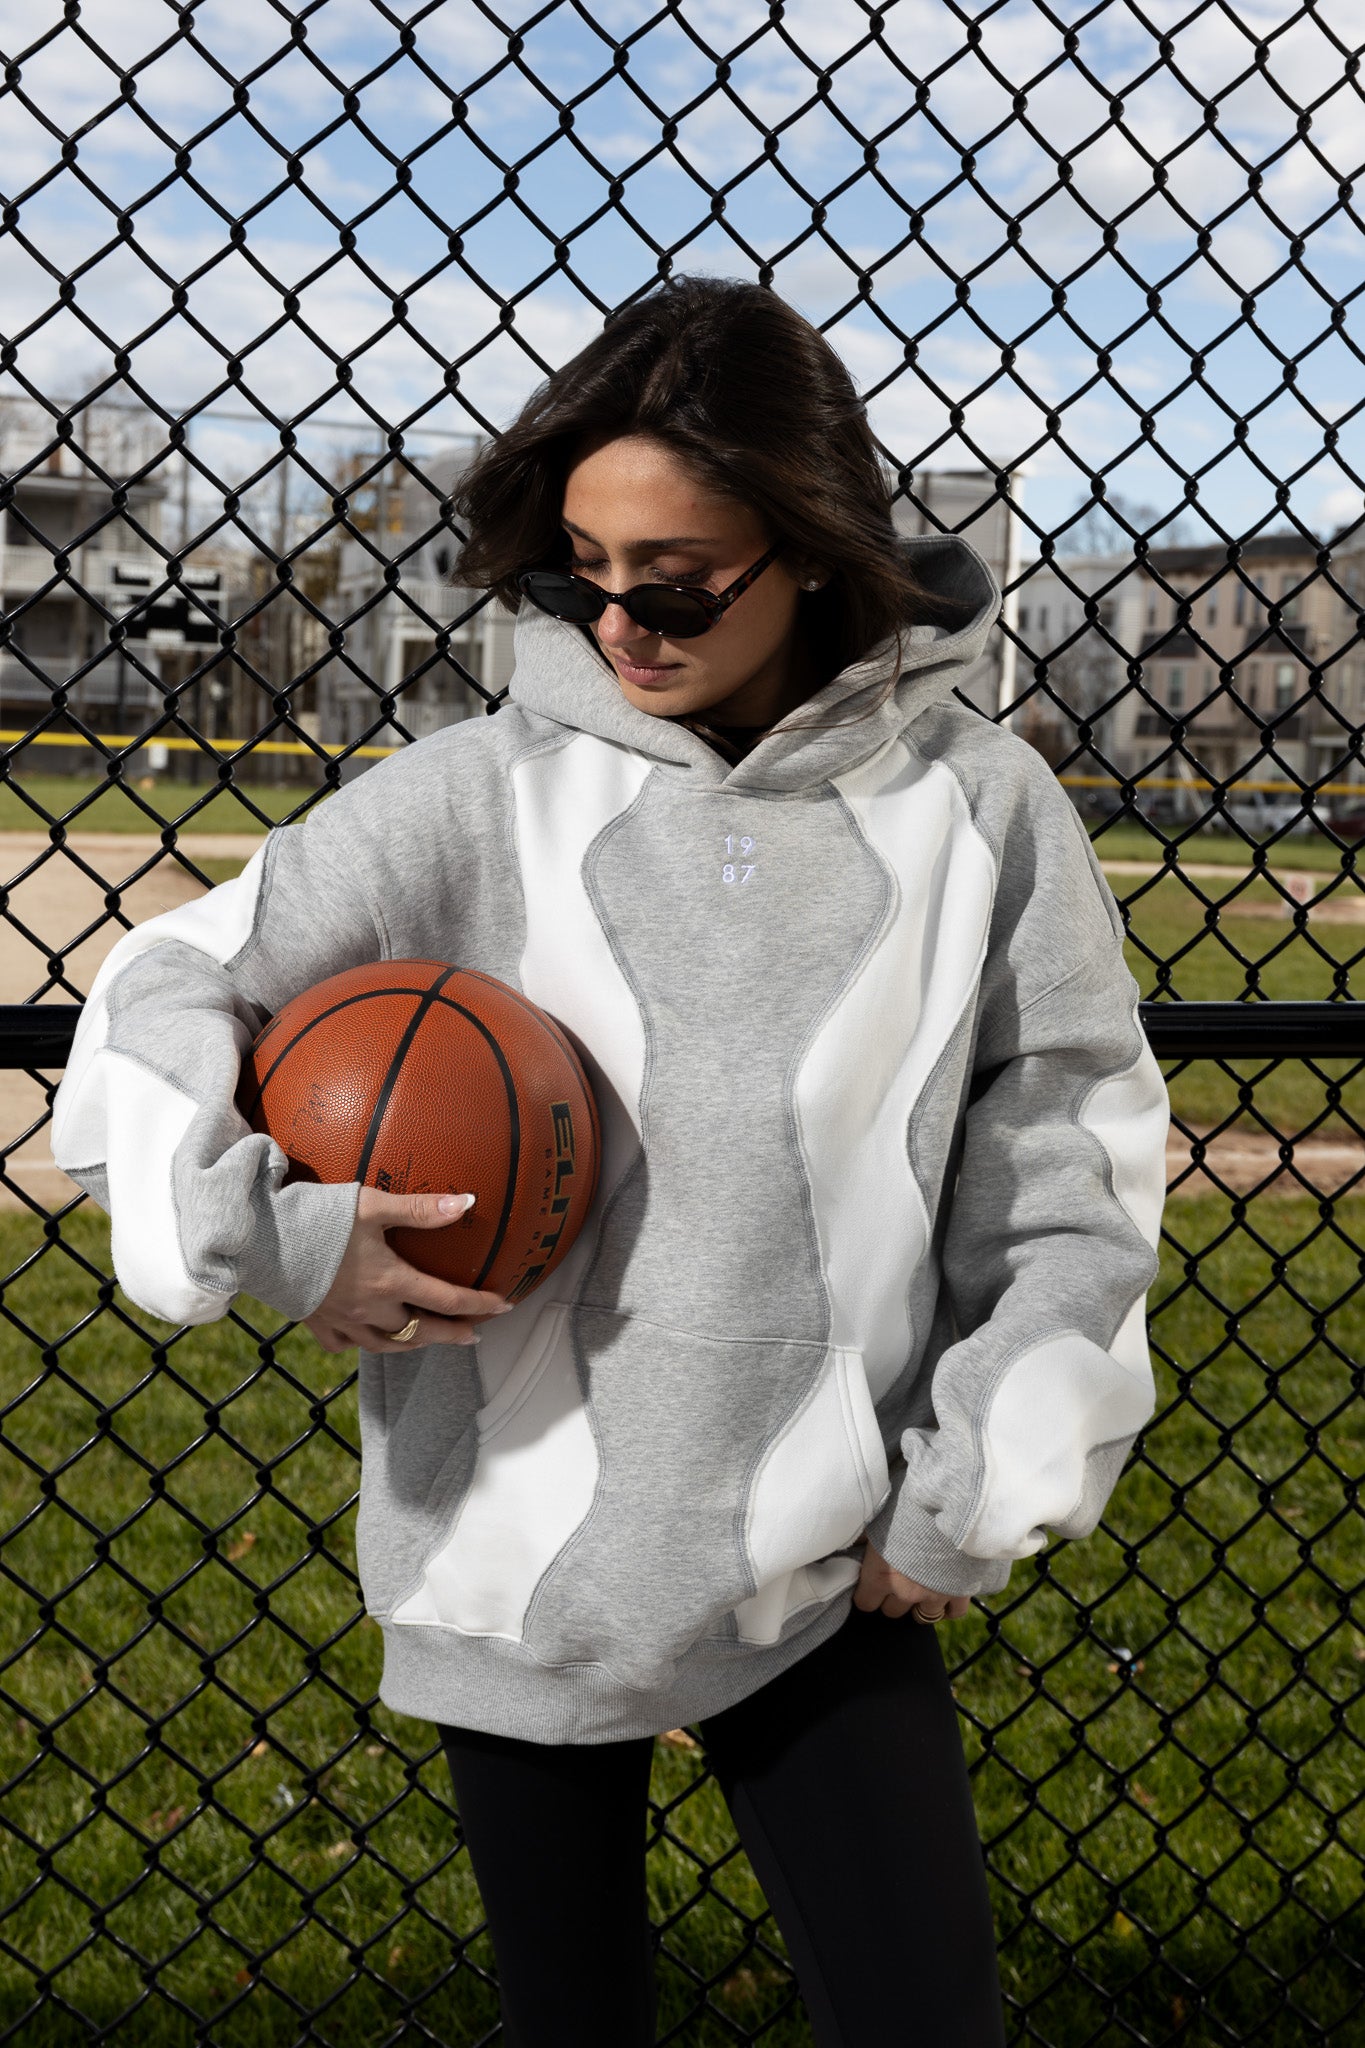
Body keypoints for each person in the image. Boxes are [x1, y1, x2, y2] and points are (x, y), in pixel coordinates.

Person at [51, 275, 1169, 2046]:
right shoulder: (476, 792)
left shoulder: (974, 805)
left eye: (675, 580)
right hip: (517, 1548)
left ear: (811, 547)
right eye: (581, 571)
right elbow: (158, 990)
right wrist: (276, 1234)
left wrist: (974, 1481)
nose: (618, 622)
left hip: (829, 1553)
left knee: (926, 2017)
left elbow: (1067, 1159)